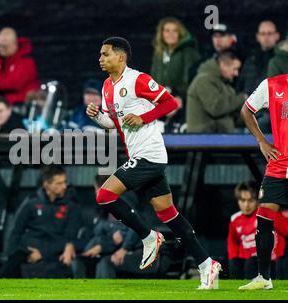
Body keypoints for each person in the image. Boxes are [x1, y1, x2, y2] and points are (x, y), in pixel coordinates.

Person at [86, 36, 221, 289]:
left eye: (105, 54)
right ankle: (207, 264)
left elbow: (170, 102)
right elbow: (113, 123)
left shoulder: (137, 79)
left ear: (121, 57)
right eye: (100, 54)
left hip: (150, 154)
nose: (100, 58)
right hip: (138, 155)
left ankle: (149, 237)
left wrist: (144, 116)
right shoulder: (107, 86)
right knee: (168, 213)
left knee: (104, 195)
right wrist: (97, 117)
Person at [238, 73, 288, 290]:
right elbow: (246, 110)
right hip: (279, 164)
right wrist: (262, 141)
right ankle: (264, 278)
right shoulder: (273, 84)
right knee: (264, 217)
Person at [0, 165, 82, 278]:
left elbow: (68, 238)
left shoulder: (72, 207)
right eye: (59, 183)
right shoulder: (31, 203)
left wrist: (42, 253)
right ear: (47, 185)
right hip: (27, 251)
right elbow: (16, 231)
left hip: (55, 252)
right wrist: (11, 254)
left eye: (65, 182)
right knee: (4, 275)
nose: (64, 186)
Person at [150, 17, 201, 132]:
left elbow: (191, 81)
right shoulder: (158, 53)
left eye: (175, 31)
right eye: (167, 30)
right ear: (161, 33)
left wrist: (179, 97)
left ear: (180, 33)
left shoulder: (188, 52)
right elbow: (153, 79)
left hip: (183, 100)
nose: (171, 34)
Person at [227, 181, 285, 279]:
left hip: (268, 262)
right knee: (234, 263)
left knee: (251, 263)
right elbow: (232, 242)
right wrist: (233, 257)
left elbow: (284, 231)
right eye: (243, 200)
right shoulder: (235, 219)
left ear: (258, 200)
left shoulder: (266, 214)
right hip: (246, 261)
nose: (246, 205)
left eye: (250, 200)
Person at [186, 50, 247, 133]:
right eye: (234, 69)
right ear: (223, 65)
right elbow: (216, 108)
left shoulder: (224, 83)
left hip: (219, 137)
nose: (236, 73)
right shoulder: (204, 80)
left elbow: (229, 112)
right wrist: (241, 99)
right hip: (204, 139)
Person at [0, 27, 40, 107]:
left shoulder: (26, 62)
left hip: (19, 106)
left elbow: (15, 84)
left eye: (4, 47)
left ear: (14, 44)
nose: (1, 49)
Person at [237, 21, 280, 95]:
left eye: (270, 33)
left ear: (277, 36)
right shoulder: (250, 60)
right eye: (263, 34)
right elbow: (240, 85)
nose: (266, 37)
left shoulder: (282, 60)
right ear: (257, 37)